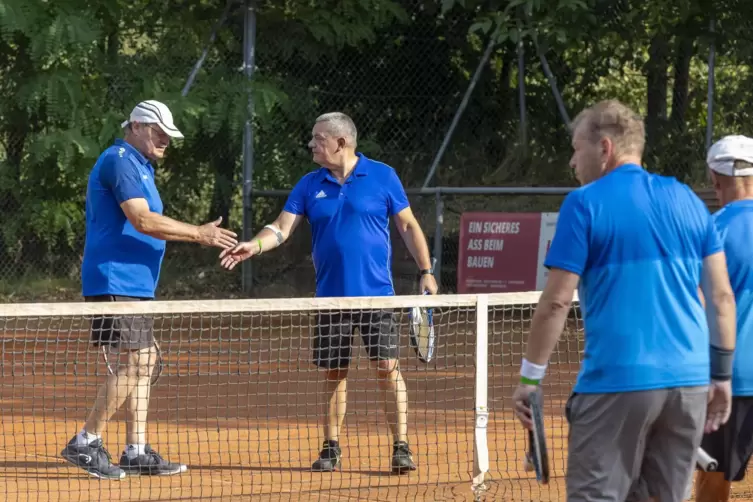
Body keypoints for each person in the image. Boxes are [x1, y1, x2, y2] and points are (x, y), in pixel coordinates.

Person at [510, 99, 737, 501]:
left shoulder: (583, 204)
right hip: (690, 383)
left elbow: (557, 302)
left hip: (618, 382)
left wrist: (530, 379)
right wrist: (721, 376)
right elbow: (720, 297)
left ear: (605, 148)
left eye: (577, 149)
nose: (572, 161)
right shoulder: (688, 200)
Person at [219, 111, 438, 474]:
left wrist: (426, 272)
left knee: (387, 368)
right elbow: (281, 228)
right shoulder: (309, 184)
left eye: (318, 138)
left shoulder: (383, 176)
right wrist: (254, 246)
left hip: (377, 297)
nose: (311, 144)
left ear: (341, 142)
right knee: (334, 373)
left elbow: (408, 225)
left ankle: (402, 447)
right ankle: (331, 448)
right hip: (331, 299)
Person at [60, 99, 238, 479]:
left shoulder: (141, 166)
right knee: (138, 362)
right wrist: (199, 233)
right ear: (138, 126)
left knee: (144, 362)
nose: (166, 142)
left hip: (136, 283)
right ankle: (85, 442)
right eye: (160, 134)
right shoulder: (119, 160)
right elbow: (141, 220)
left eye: (169, 137)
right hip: (115, 279)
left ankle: (136, 450)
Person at [694, 135, 753, 502]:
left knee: (713, 483)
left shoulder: (708, 230)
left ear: (715, 180)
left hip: (727, 381)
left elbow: (696, 305)